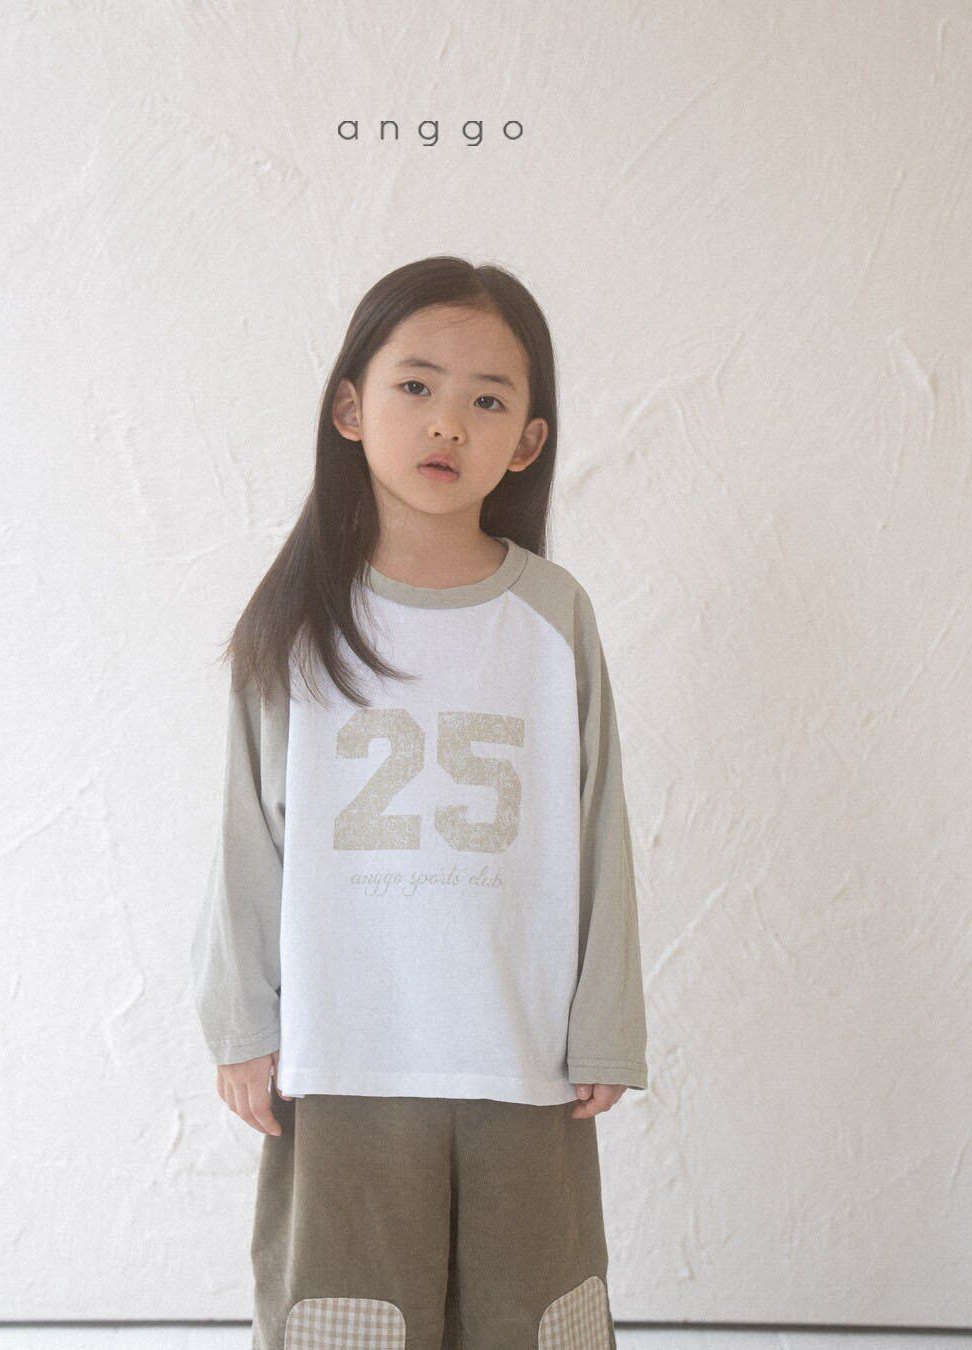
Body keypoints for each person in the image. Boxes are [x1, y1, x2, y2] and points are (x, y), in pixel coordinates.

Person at [190, 255, 649, 1350]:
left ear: (527, 441)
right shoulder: (300, 619)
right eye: (416, 386)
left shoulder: (552, 616)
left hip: (520, 1050)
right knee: (345, 1313)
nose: (448, 422)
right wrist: (242, 1022)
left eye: (487, 401)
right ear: (350, 408)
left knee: (530, 1312)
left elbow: (600, 826)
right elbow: (248, 835)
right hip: (347, 1051)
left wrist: (606, 1023)